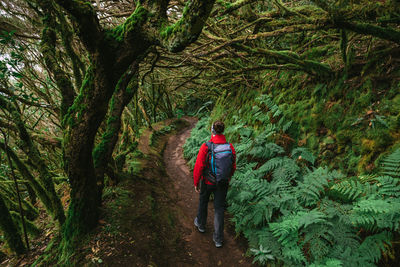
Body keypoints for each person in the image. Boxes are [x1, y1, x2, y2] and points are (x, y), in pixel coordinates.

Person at [193, 120, 236, 248]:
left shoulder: (207, 146)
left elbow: (199, 166)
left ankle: (201, 224)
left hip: (207, 182)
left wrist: (196, 182)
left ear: (212, 130)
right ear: (223, 131)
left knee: (203, 201)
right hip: (222, 183)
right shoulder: (230, 147)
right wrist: (227, 178)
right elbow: (233, 166)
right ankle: (218, 239)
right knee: (219, 209)